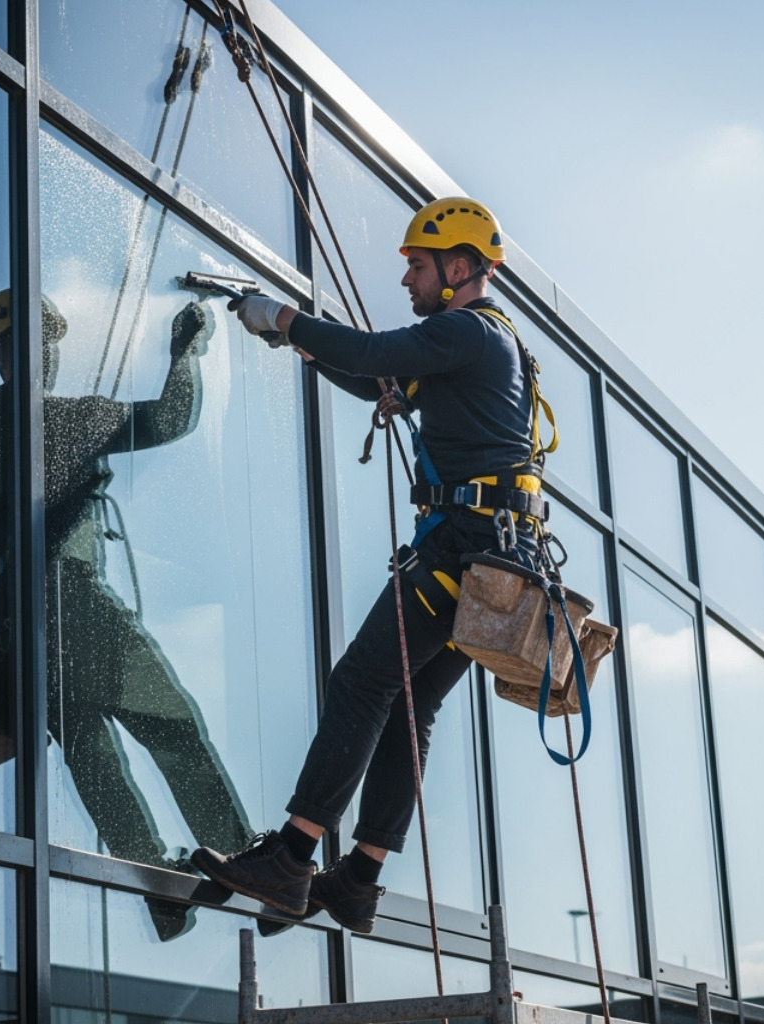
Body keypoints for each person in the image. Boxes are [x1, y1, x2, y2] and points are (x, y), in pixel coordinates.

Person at [190, 198, 548, 934]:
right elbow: (375, 378)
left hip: (462, 554)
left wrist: (285, 319)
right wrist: (297, 343)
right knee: (409, 707)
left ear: (458, 268)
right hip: (494, 570)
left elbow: (376, 354)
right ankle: (358, 877)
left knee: (362, 683)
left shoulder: (466, 332)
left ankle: (291, 859)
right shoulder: (480, 346)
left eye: (418, 266)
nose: (409, 280)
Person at [0, 289, 252, 941]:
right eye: (31, 341)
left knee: (91, 751)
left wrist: (179, 360)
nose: (46, 354)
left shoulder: (17, 418)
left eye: (50, 342)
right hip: (69, 602)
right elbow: (170, 421)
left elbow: (155, 422)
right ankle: (248, 867)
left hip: (15, 623)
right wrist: (187, 352)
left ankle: (161, 893)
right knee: (170, 721)